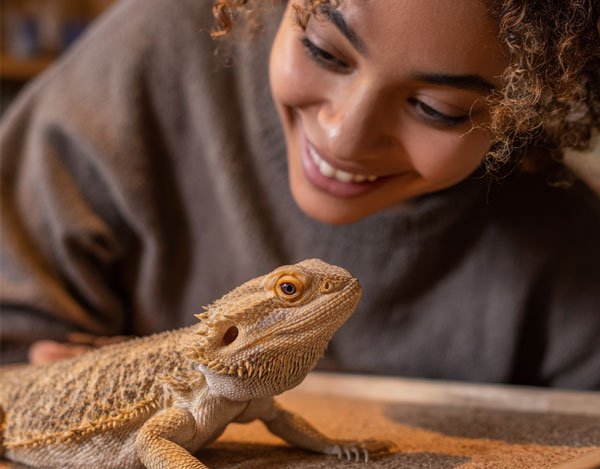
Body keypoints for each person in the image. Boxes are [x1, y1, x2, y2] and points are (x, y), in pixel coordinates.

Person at [1, 0, 599, 388]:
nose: (345, 135)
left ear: (527, 110)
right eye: (322, 51)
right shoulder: (146, 59)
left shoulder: (563, 240)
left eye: (434, 108)